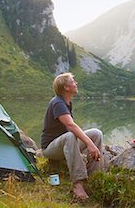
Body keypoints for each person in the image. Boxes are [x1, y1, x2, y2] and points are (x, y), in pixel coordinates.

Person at [41, 72, 104, 200]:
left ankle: (94, 176)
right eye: (73, 81)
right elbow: (70, 125)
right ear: (66, 87)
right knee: (70, 135)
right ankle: (78, 184)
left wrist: (90, 142)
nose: (76, 83)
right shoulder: (57, 103)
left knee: (96, 133)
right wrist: (89, 144)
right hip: (50, 148)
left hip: (63, 144)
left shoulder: (66, 103)